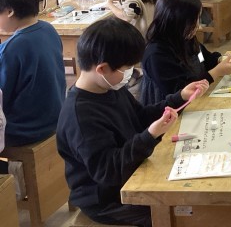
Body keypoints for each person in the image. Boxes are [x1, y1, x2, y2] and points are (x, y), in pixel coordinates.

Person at [56, 17, 209, 227]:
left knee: (194, 190)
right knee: (185, 213)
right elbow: (109, 172)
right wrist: (150, 135)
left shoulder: (109, 87)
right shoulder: (80, 116)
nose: (131, 73)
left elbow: (140, 116)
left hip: (131, 173)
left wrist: (179, 97)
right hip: (108, 200)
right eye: (127, 68)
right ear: (102, 69)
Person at [140, 0, 231, 105]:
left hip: (196, 98)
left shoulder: (185, 37)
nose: (198, 26)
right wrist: (216, 72)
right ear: (175, 22)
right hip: (169, 111)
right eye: (193, 22)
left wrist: (219, 60)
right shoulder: (156, 55)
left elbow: (202, 58)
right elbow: (180, 92)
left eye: (198, 19)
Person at [0, 0, 65, 152]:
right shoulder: (48, 29)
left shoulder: (11, 48)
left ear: (9, 11)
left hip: (25, 130)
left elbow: (2, 96)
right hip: (55, 117)